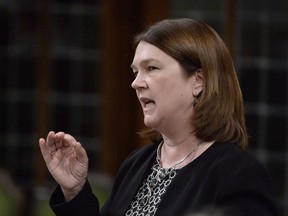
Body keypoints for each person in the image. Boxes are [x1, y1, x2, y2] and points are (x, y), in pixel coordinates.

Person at [39, 18, 279, 216]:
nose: (135, 83)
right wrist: (75, 191)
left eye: (151, 68)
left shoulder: (236, 173)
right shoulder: (136, 163)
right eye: (135, 71)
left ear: (199, 80)